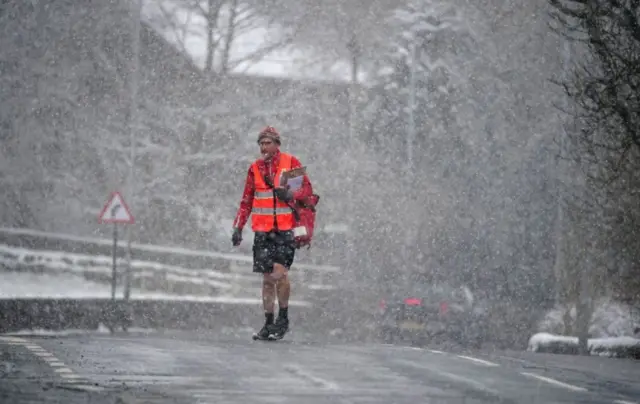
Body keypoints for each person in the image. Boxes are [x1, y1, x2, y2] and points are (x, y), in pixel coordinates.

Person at [231, 126, 313, 340]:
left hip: (285, 230)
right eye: (261, 143)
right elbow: (246, 200)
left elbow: (305, 191)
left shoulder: (290, 163)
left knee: (279, 273)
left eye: (268, 143)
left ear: (277, 144)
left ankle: (283, 318)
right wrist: (238, 227)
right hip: (263, 231)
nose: (263, 147)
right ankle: (268, 323)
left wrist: (289, 193)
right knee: (267, 279)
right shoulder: (255, 169)